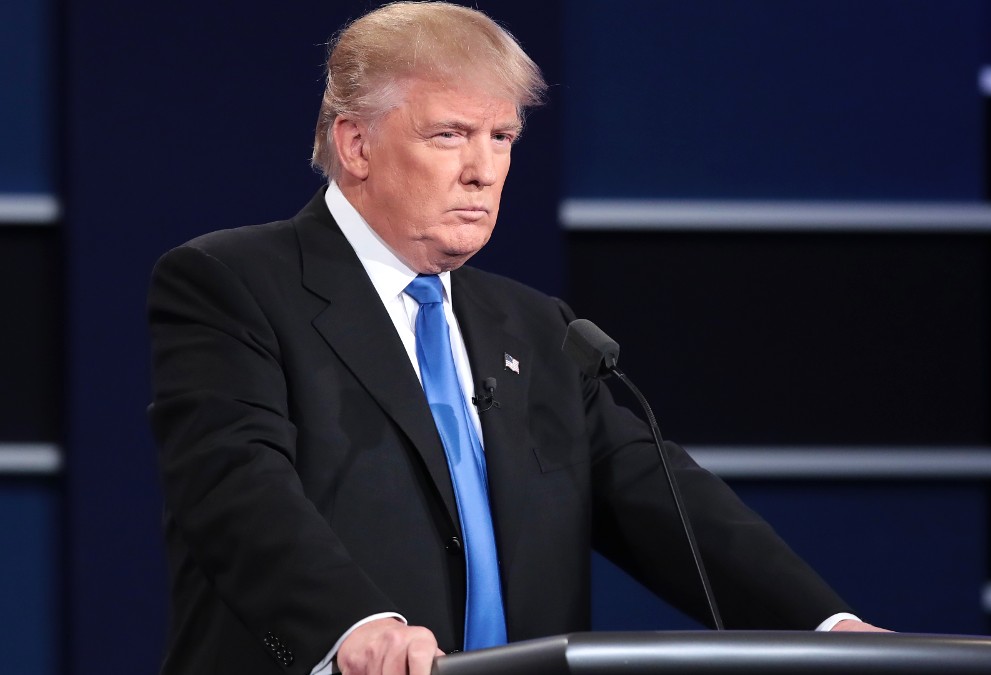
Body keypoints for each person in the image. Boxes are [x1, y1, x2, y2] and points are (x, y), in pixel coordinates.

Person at [146, 3, 887, 674]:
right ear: (356, 144)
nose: (484, 171)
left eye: (501, 138)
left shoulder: (539, 329)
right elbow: (235, 487)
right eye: (450, 136)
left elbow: (658, 497)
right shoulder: (232, 281)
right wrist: (353, 625)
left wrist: (826, 623)